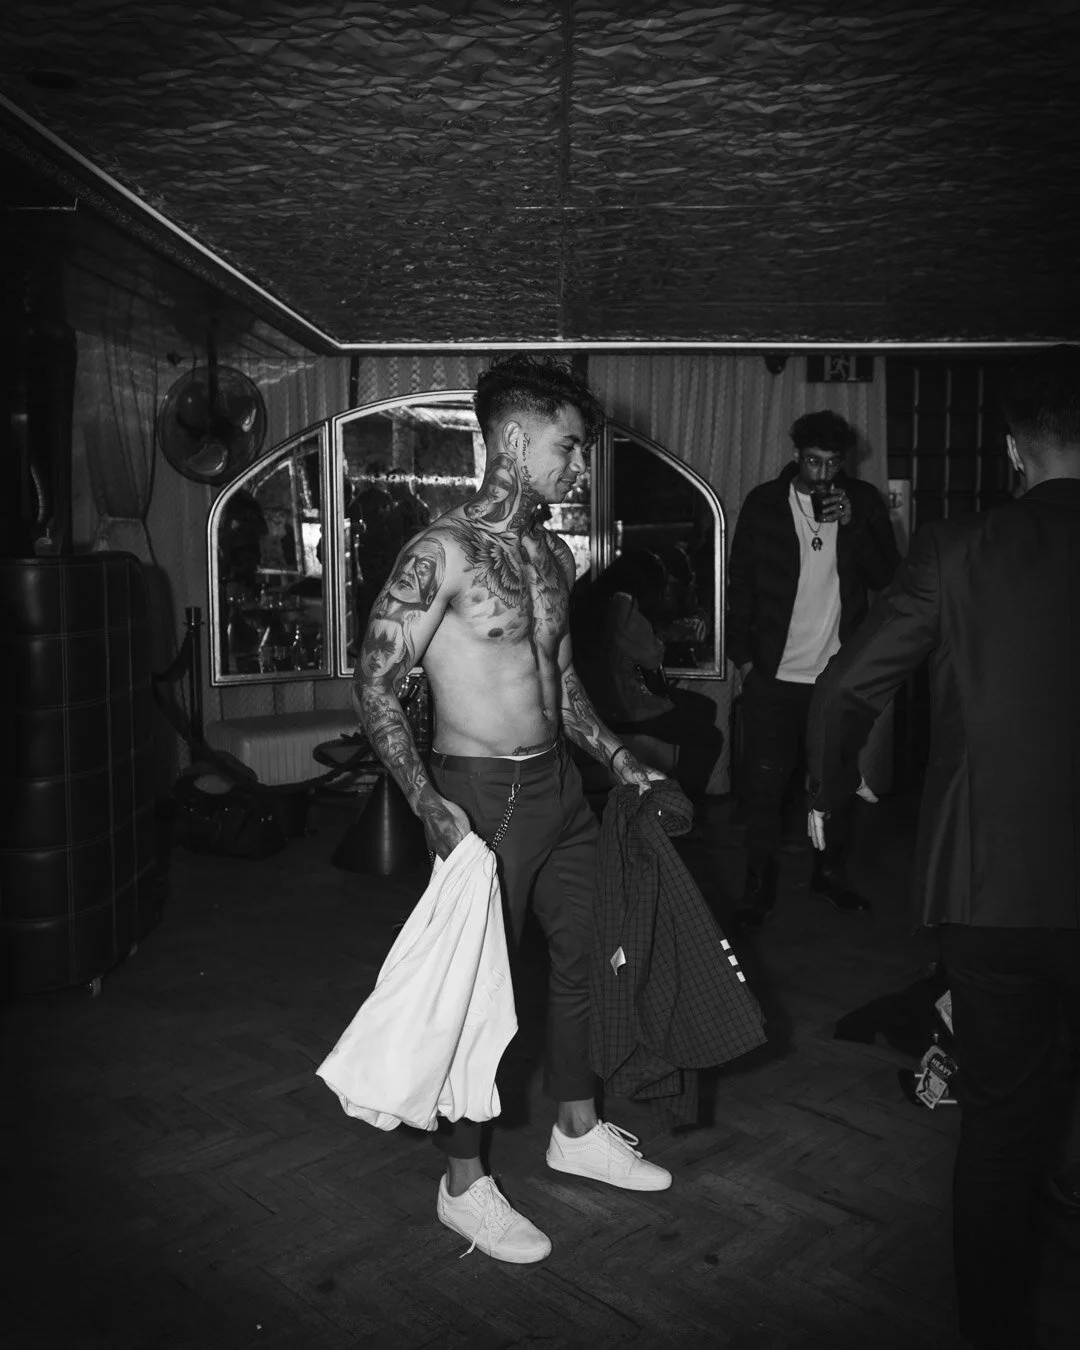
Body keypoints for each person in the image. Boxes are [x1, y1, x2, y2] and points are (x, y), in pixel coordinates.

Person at [353, 354, 673, 1266]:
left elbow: (560, 682)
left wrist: (619, 760)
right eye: (570, 449)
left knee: (587, 960)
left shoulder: (551, 555)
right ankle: (463, 1185)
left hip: (562, 791)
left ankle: (577, 1129)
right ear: (516, 440)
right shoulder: (440, 553)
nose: (580, 469)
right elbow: (375, 684)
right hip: (479, 796)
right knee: (478, 992)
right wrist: (424, 799)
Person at [806, 345, 1080, 1350]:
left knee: (1000, 1129)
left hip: (991, 889)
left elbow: (847, 688)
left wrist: (828, 799)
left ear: (1012, 449)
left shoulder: (958, 549)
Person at [726, 409, 900, 929]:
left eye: (832, 463)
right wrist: (745, 660)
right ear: (797, 455)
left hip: (836, 676)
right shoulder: (764, 503)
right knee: (765, 787)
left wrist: (853, 525)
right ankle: (758, 885)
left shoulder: (863, 502)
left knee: (834, 783)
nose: (823, 474)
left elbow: (887, 575)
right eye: (813, 461)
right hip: (773, 676)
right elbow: (740, 584)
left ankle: (830, 874)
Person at [571, 548, 724, 801]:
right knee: (709, 737)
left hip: (602, 700)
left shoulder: (595, 602)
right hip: (625, 706)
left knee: (703, 708)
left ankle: (674, 793)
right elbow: (652, 655)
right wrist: (658, 637)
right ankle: (679, 804)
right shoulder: (624, 606)